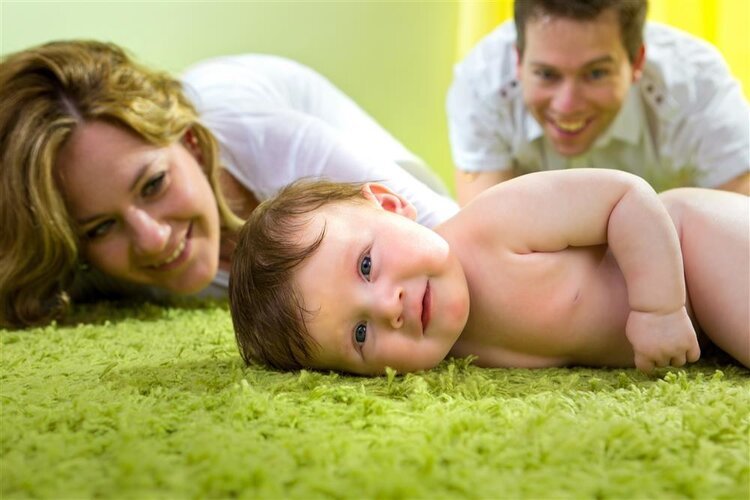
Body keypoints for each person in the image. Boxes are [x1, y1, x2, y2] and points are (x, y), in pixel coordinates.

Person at [0, 40, 457, 328]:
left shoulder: (253, 129)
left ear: (190, 142)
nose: (153, 239)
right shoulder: (86, 265)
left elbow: (449, 233)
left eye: (154, 184)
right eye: (101, 228)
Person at [228, 169, 749, 376]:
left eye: (366, 266)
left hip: (691, 244)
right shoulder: (454, 351)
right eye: (360, 333)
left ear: (390, 205)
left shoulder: (493, 226)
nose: (389, 306)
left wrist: (659, 308)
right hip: (700, 329)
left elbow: (626, 197)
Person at [447, 0, 750, 205]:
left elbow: (742, 231)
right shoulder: (482, 84)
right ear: (518, 60)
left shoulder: (698, 89)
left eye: (595, 73)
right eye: (547, 74)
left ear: (636, 62)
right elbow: (486, 242)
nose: (567, 106)